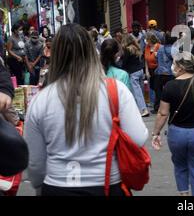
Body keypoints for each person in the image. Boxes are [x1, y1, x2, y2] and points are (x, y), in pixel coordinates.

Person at [24, 24, 148, 196]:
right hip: (106, 185)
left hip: (58, 186)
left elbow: (35, 162)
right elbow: (138, 137)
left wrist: (39, 186)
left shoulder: (40, 101)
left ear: (55, 54)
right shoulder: (116, 91)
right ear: (92, 51)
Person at [151, 52, 194, 196]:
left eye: (175, 64)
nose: (173, 67)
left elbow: (163, 113)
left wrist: (156, 133)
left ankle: (184, 195)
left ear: (181, 67)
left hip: (177, 133)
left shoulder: (170, 86)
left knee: (180, 166)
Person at [121, 34, 148, 117]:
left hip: (133, 72)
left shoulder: (127, 50)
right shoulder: (136, 48)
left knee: (137, 92)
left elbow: (124, 63)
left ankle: (143, 109)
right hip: (140, 71)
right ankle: (142, 108)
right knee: (140, 91)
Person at [154, 32, 177, 113]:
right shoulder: (175, 49)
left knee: (159, 91)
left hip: (160, 73)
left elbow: (156, 58)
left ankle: (157, 107)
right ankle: (172, 107)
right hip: (170, 74)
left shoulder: (160, 48)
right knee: (172, 91)